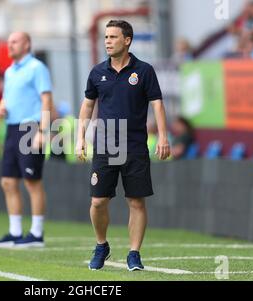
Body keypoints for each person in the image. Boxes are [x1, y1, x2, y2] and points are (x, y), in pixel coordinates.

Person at [76, 20, 170, 271]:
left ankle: (134, 253)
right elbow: (87, 105)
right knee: (97, 202)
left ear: (127, 40)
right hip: (105, 145)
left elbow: (157, 104)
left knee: (136, 202)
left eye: (113, 37)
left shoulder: (145, 70)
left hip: (135, 145)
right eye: (105, 37)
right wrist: (79, 138)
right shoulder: (97, 72)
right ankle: (101, 245)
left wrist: (162, 136)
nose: (107, 41)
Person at [0, 32, 53, 248]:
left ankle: (36, 233)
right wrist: (1, 107)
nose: (10, 46)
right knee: (7, 181)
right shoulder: (9, 72)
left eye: (14, 42)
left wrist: (43, 131)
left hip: (31, 127)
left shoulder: (37, 68)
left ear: (26, 44)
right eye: (8, 42)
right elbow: (7, 97)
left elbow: (46, 99)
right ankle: (15, 232)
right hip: (12, 127)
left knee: (32, 181)